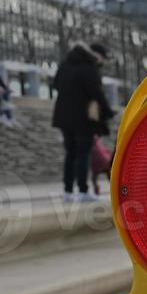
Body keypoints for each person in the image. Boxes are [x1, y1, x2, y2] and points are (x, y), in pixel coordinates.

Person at [51, 42, 114, 200]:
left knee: (70, 153)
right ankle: (83, 191)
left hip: (64, 116)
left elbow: (56, 85)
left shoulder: (65, 64)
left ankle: (67, 191)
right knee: (83, 153)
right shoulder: (89, 68)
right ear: (95, 55)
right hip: (83, 118)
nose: (102, 62)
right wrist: (108, 112)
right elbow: (96, 94)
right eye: (102, 58)